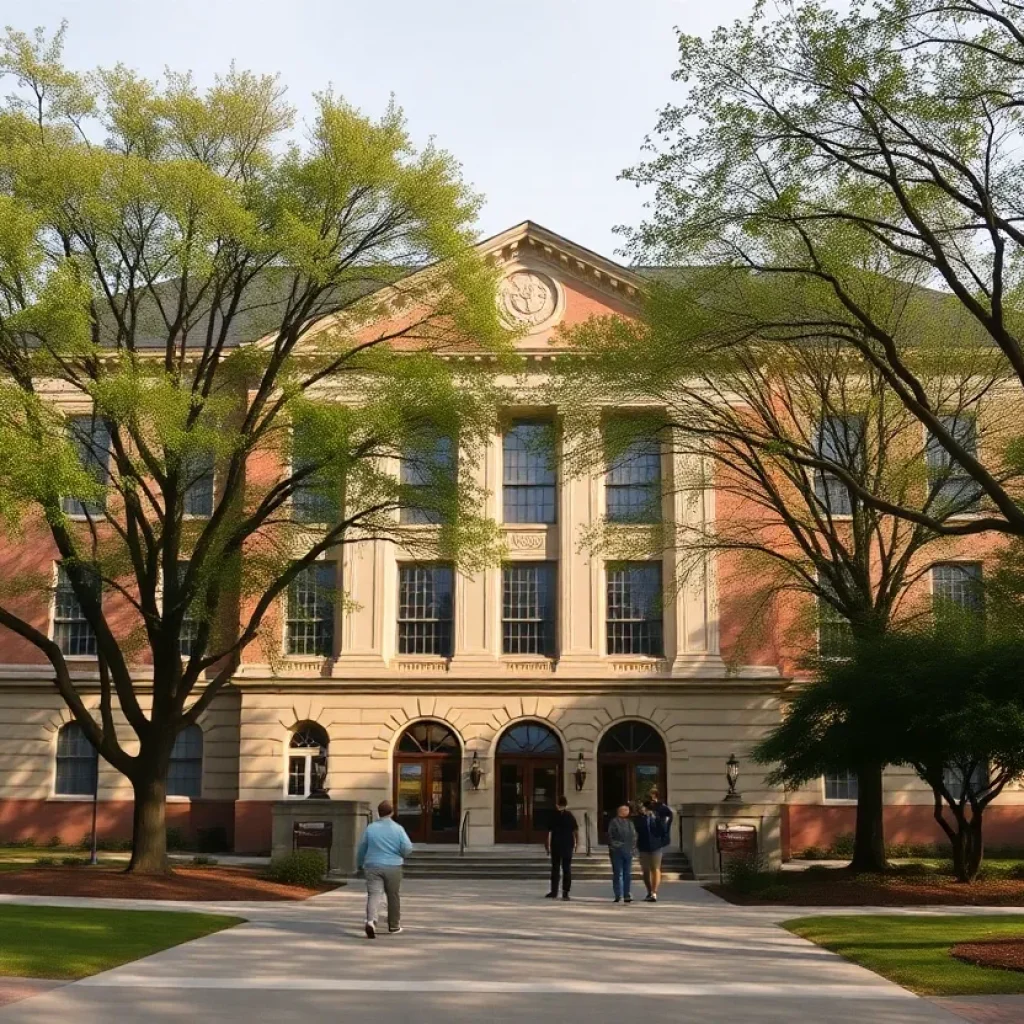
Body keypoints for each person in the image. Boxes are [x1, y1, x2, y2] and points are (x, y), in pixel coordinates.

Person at [356, 799, 413, 939]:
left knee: (374, 894)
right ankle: (394, 925)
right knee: (393, 895)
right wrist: (401, 855)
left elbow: (362, 847)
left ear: (378, 813)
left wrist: (359, 863)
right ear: (392, 812)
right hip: (393, 866)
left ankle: (371, 921)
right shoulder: (398, 828)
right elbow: (407, 848)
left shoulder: (371, 828)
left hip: (373, 865)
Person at [545, 795, 578, 900]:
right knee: (567, 869)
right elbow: (575, 831)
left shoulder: (553, 816)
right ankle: (565, 892)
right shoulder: (570, 816)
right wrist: (577, 844)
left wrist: (548, 845)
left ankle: (554, 891)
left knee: (555, 868)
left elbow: (549, 832)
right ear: (566, 805)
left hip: (556, 844)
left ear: (557, 805)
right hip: (568, 844)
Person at [644, 789, 674, 902]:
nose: (650, 798)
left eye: (651, 796)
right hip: (644, 843)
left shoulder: (662, 807)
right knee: (646, 869)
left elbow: (668, 819)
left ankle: (654, 892)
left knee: (655, 867)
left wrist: (664, 834)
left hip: (656, 842)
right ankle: (649, 891)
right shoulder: (644, 807)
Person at [606, 804, 636, 903]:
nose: (627, 811)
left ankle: (626, 893)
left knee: (627, 873)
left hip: (628, 851)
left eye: (627, 810)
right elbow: (611, 836)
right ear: (620, 811)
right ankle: (618, 894)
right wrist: (617, 846)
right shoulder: (614, 822)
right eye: (625, 810)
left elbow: (634, 836)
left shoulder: (629, 822)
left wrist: (632, 847)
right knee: (618, 872)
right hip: (617, 851)